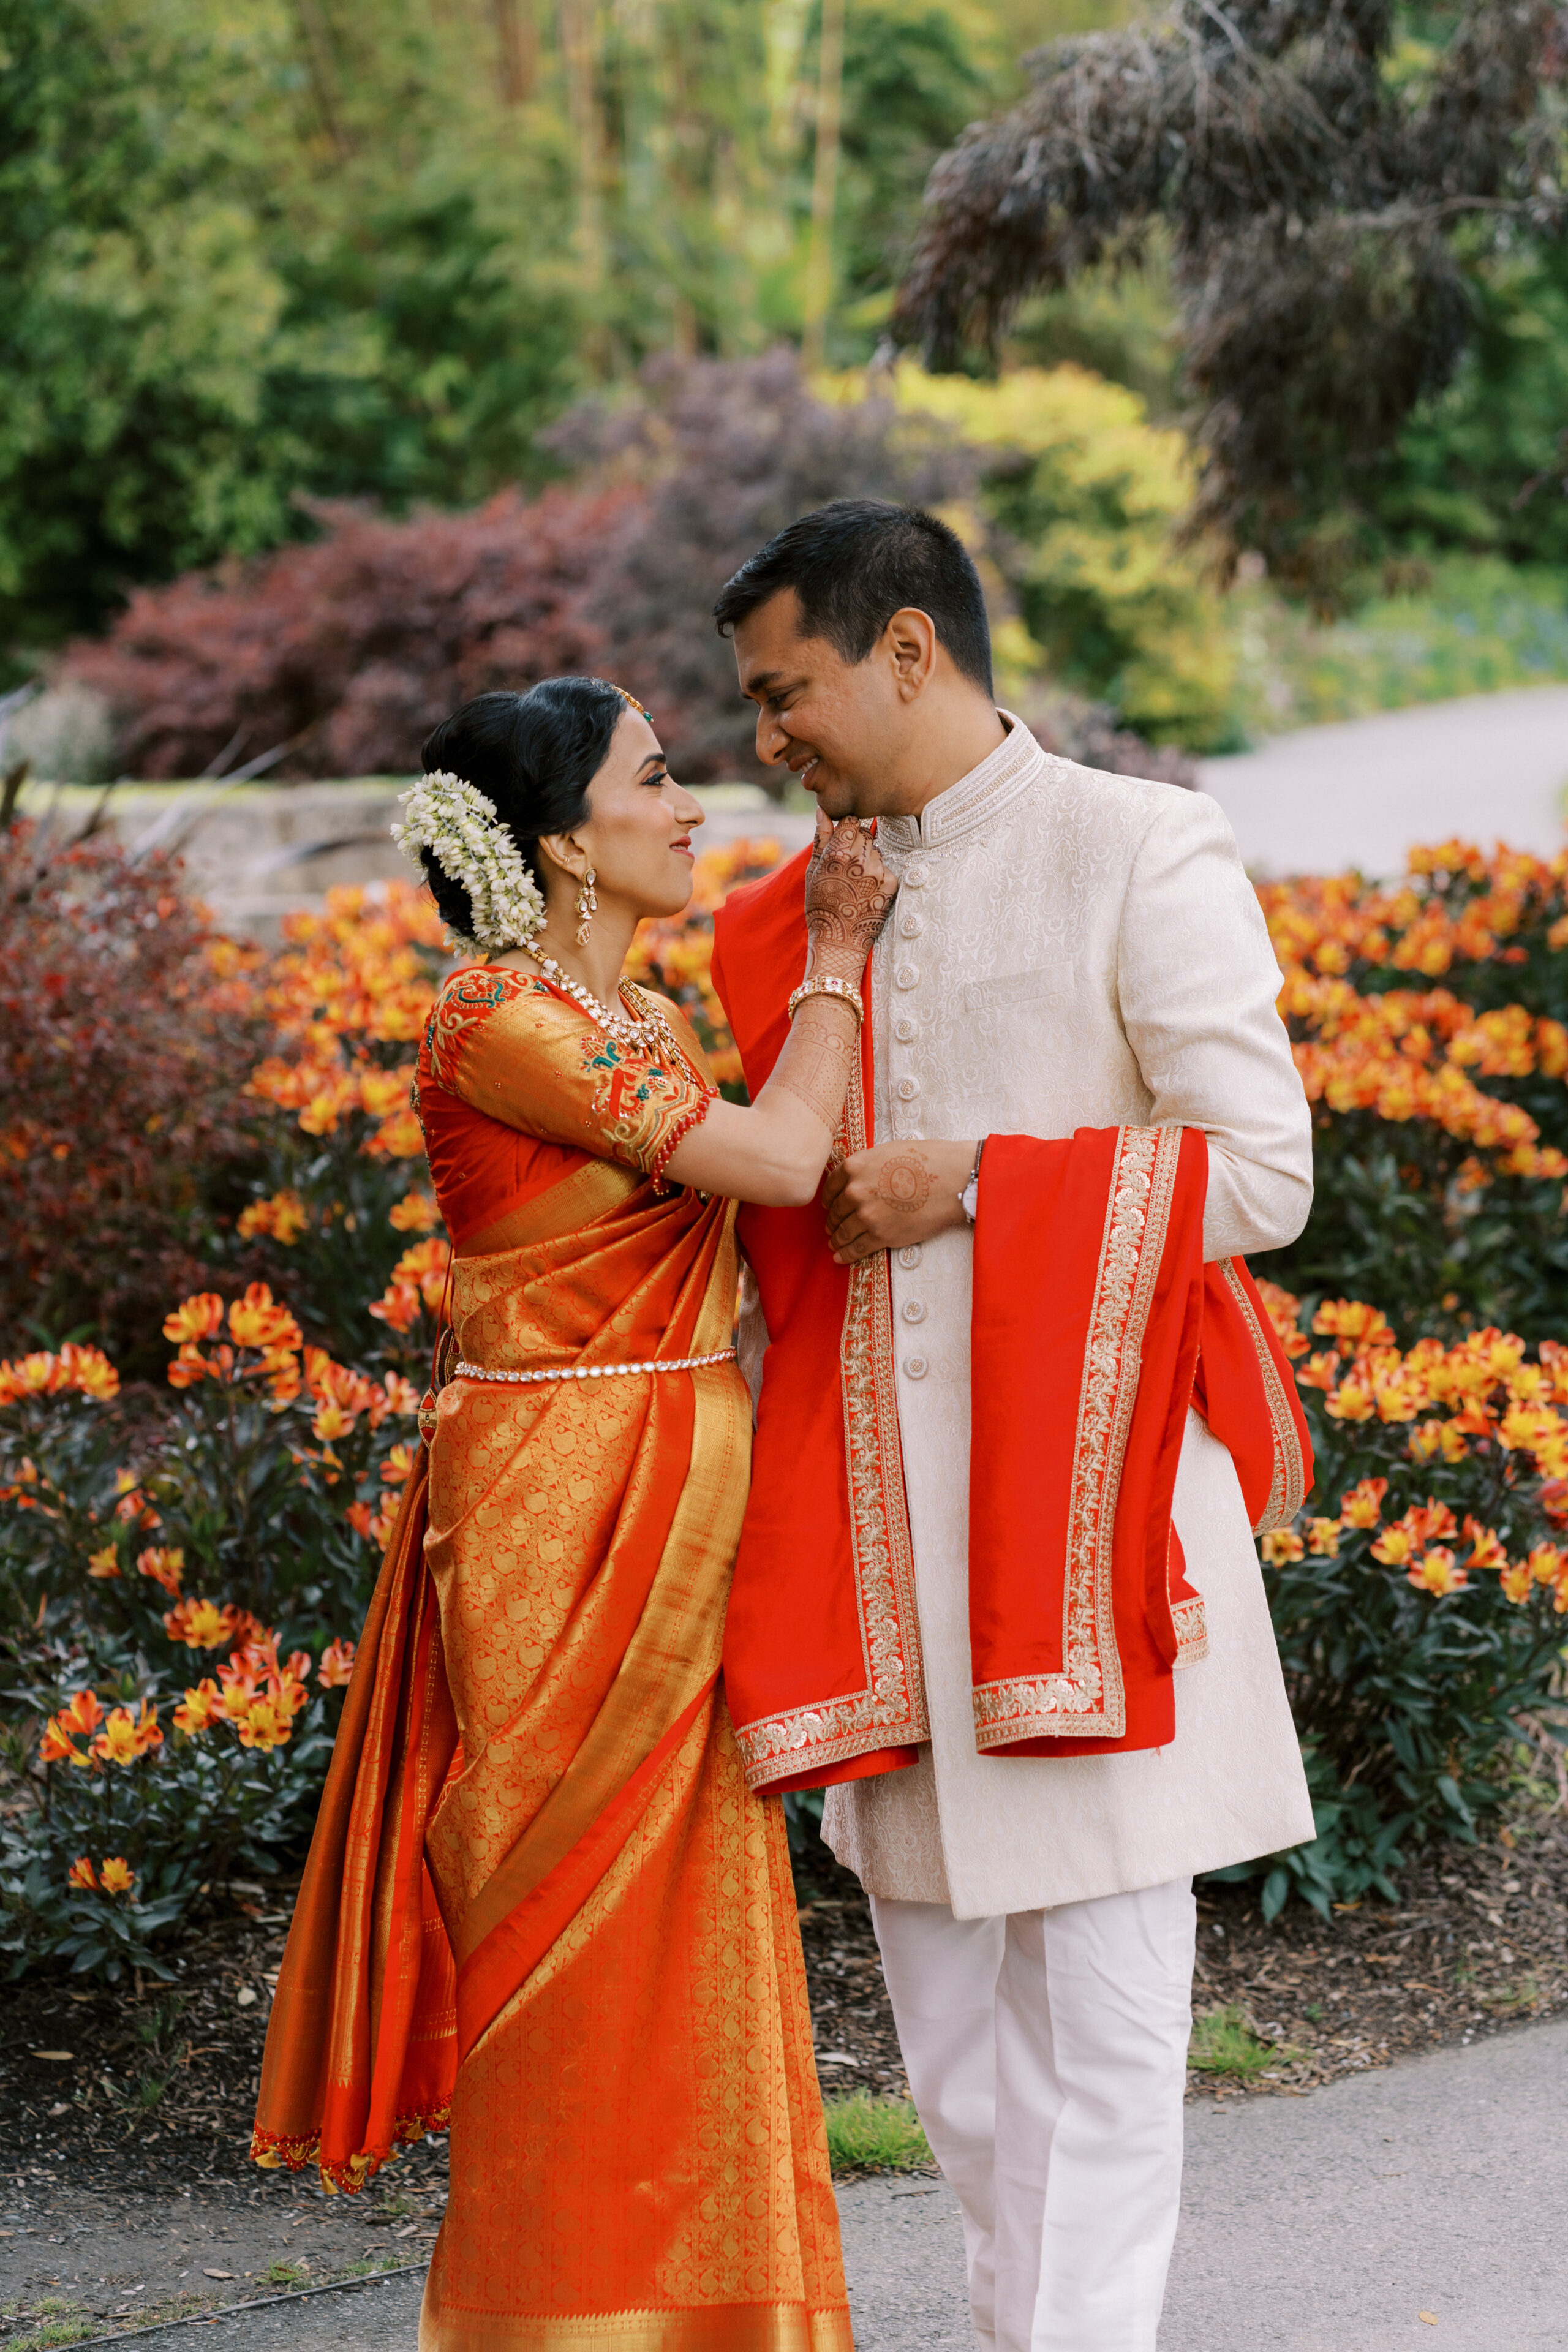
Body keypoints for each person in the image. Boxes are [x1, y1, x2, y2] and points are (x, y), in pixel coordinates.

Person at [705, 500, 1317, 2352]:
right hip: (879, 1548)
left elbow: (1264, 1171)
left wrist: (979, 1180)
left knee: (1113, 2046)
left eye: (787, 690)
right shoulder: (792, 915)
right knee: (961, 2072)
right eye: (745, 707)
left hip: (1094, 1533)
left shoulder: (1136, 845)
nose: (767, 739)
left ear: (909, 648)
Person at [251, 676, 901, 2351]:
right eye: (659, 778)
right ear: (560, 839)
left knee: (697, 1924)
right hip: (554, 1514)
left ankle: (718, 2315)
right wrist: (834, 954)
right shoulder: (496, 1023)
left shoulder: (638, 1025)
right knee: (564, 1925)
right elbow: (772, 1162)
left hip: (679, 1488)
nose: (692, 807)